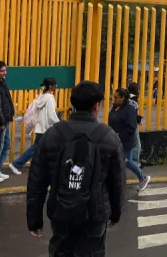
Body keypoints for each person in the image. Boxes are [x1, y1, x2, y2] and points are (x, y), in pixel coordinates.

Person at [26, 81, 126, 255]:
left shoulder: (53, 134)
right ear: (97, 106)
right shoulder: (108, 136)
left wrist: (34, 220)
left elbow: (37, 181)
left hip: (61, 209)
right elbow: (117, 180)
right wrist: (115, 213)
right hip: (95, 212)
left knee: (61, 251)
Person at [9, 78, 59, 175]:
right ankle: (16, 164)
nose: (56, 87)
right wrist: (60, 124)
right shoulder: (50, 98)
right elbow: (51, 115)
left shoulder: (41, 97)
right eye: (55, 85)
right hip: (47, 128)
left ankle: (41, 166)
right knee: (36, 148)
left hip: (40, 127)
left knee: (41, 148)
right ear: (50, 86)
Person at [108, 88, 151, 191]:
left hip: (125, 142)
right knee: (116, 161)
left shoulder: (129, 110)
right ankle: (117, 182)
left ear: (122, 98)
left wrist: (119, 135)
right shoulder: (115, 108)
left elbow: (131, 128)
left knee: (127, 161)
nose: (113, 99)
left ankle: (143, 178)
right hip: (114, 140)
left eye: (115, 97)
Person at [0, 61, 15, 183]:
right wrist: (2, 120)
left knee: (6, 145)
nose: (5, 73)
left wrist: (10, 114)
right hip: (1, 121)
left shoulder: (3, 82)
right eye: (2, 71)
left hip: (6, 119)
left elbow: (7, 100)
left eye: (5, 70)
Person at [127, 82, 143, 166]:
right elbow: (133, 113)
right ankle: (135, 163)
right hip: (132, 124)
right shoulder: (134, 99)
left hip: (123, 123)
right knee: (137, 144)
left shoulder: (125, 97)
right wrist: (138, 119)